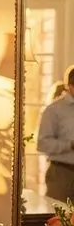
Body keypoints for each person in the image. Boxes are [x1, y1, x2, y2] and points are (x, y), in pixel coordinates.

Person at [38, 64, 74, 200]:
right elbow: (42, 143)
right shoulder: (54, 110)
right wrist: (69, 145)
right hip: (62, 173)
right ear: (71, 86)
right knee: (58, 212)